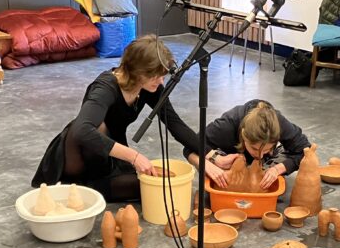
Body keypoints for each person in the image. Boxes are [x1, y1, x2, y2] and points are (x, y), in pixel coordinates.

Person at [31, 35, 199, 202]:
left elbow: (176, 124)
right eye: (156, 76)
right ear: (138, 71)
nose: (161, 81)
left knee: (160, 187)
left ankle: (83, 190)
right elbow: (81, 131)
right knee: (99, 127)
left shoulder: (149, 87)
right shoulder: (105, 87)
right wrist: (134, 156)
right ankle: (73, 186)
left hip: (108, 160)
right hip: (79, 156)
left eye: (163, 75)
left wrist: (210, 155)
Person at [183, 100, 311, 189]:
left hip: (269, 163)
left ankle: (263, 169)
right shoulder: (226, 126)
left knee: (294, 156)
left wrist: (278, 169)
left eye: (265, 149)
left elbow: (306, 150)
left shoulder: (279, 124)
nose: (260, 155)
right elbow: (189, 148)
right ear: (243, 136)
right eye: (255, 148)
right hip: (229, 158)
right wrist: (213, 161)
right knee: (211, 164)